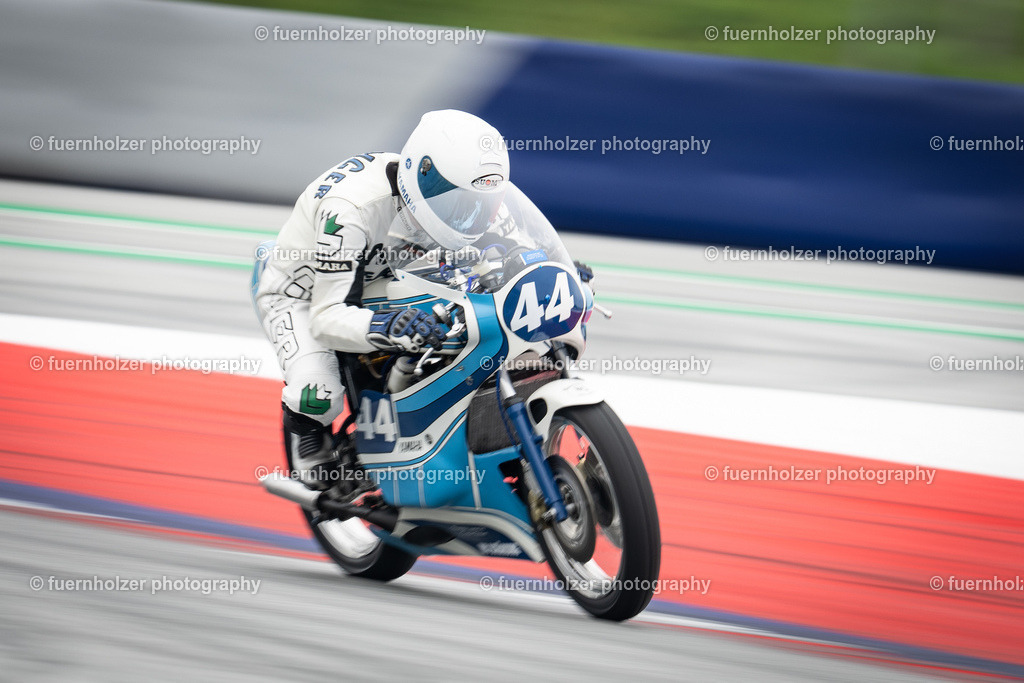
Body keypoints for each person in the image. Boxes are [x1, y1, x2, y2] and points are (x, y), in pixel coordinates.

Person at [251, 110, 511, 491]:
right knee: (318, 394)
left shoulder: (460, 193)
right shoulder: (350, 210)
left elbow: (509, 239)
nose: (468, 214)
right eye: (457, 200)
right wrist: (386, 326)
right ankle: (306, 435)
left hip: (385, 276)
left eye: (476, 202)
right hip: (306, 295)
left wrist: (550, 266)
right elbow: (326, 318)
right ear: (422, 174)